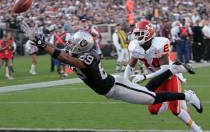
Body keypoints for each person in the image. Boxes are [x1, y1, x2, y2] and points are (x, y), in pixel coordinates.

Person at [20, 21, 203, 118]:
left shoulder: (88, 57)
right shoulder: (79, 52)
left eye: (74, 43)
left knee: (152, 97)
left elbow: (64, 57)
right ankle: (173, 71)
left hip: (116, 87)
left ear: (83, 46)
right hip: (110, 88)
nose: (70, 45)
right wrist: (41, 42)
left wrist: (44, 44)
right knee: (149, 93)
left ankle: (187, 95)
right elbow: (62, 52)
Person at [124, 19, 202, 132]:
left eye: (141, 34)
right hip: (156, 78)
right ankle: (179, 99)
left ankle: (195, 128)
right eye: (136, 34)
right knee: (153, 109)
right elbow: (130, 66)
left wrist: (145, 77)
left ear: (149, 34)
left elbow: (165, 69)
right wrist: (125, 81)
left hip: (170, 74)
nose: (137, 37)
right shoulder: (135, 47)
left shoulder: (159, 44)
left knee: (176, 110)